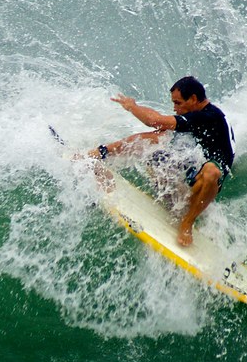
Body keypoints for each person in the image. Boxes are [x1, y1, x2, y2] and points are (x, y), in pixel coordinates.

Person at [88, 76, 234, 247]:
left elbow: (154, 120)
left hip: (208, 183)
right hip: (194, 170)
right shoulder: (197, 116)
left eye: (178, 103)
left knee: (212, 171)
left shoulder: (209, 117)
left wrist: (132, 107)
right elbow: (157, 127)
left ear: (193, 99)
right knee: (156, 140)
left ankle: (187, 222)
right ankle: (101, 154)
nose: (175, 108)